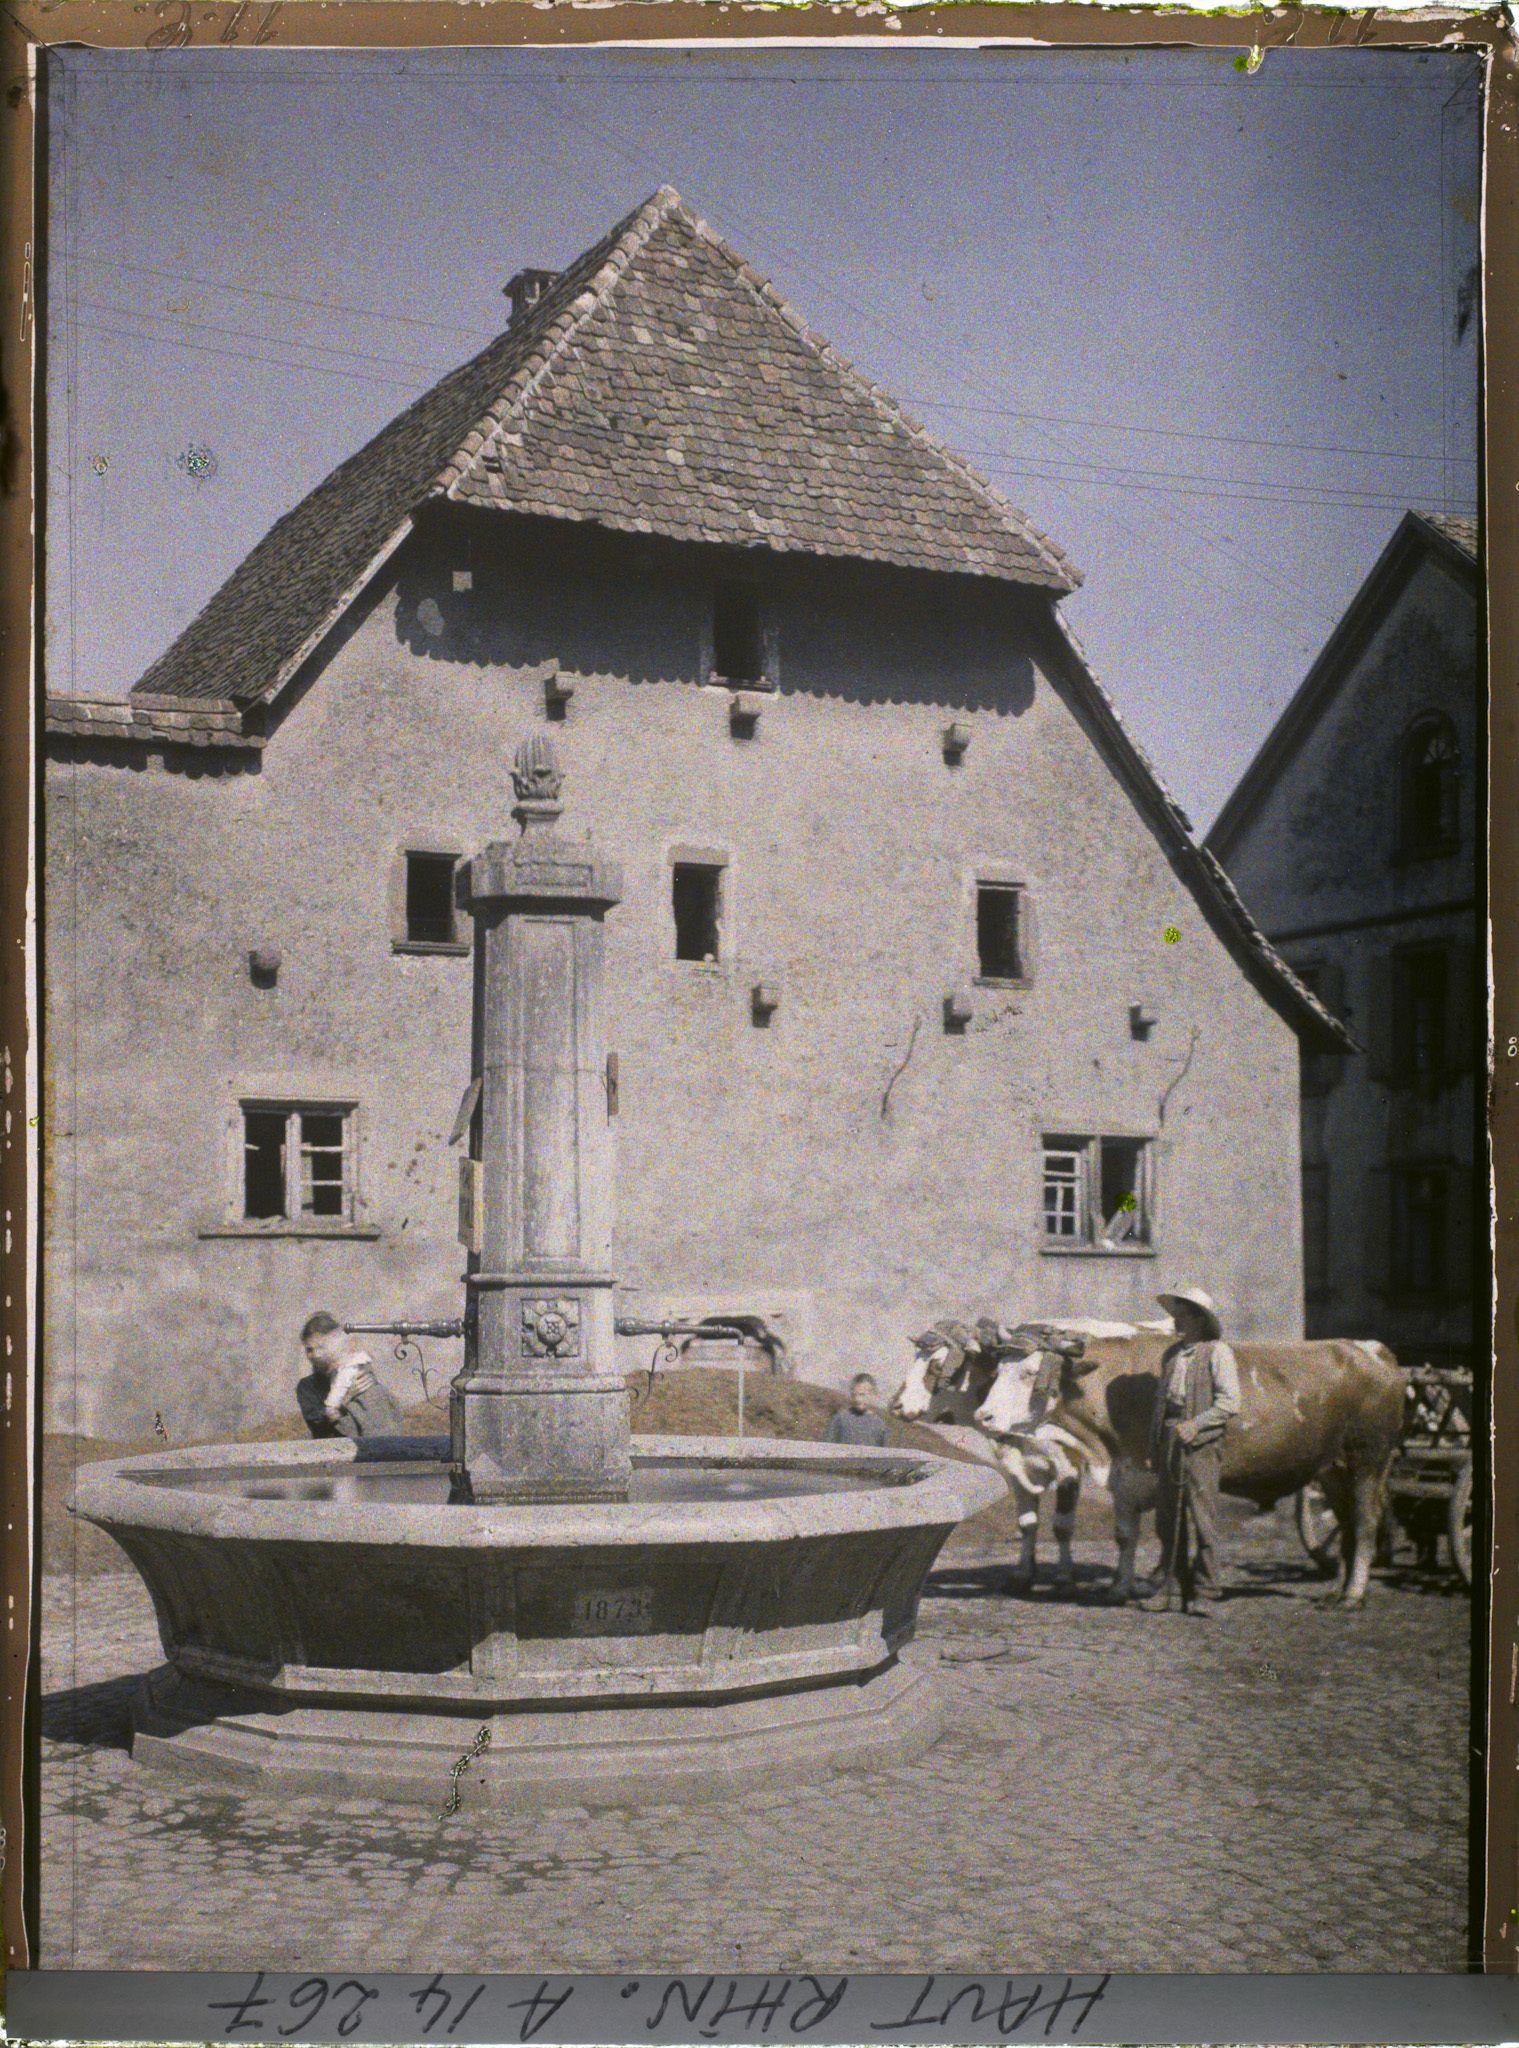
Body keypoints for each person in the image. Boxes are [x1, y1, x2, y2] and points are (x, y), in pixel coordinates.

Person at [1138, 1287, 1241, 1615]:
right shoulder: (1171, 1356)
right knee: (1167, 1519)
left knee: (1201, 1516)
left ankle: (1206, 1592)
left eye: (1182, 1315)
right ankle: (1170, 1587)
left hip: (1201, 1443)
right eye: (1175, 1315)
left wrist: (1196, 1425)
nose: (1176, 1321)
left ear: (1199, 1319)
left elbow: (1230, 1403)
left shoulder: (1218, 1353)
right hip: (1170, 1439)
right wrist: (1156, 1444)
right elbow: (1160, 1404)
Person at [296, 1311, 404, 1440]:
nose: (315, 1355)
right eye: (309, 1350)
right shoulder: (307, 1387)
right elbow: (320, 1429)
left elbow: (377, 1410)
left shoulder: (356, 1369)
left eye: (320, 1347)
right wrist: (345, 1399)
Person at [825, 1372, 889, 1447]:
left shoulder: (880, 1425)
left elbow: (882, 1455)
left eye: (862, 1395)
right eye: (854, 1395)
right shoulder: (839, 1419)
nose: (857, 1399)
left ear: (872, 1395)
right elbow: (827, 1449)